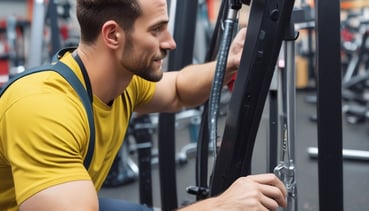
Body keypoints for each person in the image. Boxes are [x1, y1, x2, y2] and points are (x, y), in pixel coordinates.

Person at [0, 0, 287, 210]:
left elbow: (177, 90)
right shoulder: (43, 108)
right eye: (157, 30)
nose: (170, 42)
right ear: (112, 35)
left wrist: (230, 62)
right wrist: (220, 206)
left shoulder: (124, 81)